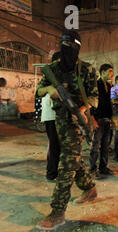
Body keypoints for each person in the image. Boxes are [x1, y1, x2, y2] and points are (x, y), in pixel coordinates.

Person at [35, 30, 98, 230]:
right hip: (59, 120)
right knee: (72, 158)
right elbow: (39, 90)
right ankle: (89, 188)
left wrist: (80, 109)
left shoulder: (87, 70)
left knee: (66, 165)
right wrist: (50, 91)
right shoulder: (53, 69)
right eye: (64, 45)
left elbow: (94, 97)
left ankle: (57, 211)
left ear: (78, 49)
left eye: (71, 47)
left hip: (78, 122)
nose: (67, 51)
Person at [90, 64, 114, 177]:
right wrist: (93, 119)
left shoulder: (108, 85)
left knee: (105, 145)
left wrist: (112, 118)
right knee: (95, 146)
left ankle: (103, 167)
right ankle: (92, 169)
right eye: (109, 71)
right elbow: (91, 103)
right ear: (102, 72)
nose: (111, 74)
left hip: (107, 119)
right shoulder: (96, 85)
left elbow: (109, 104)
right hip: (98, 119)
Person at [40, 52, 61, 182]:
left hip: (56, 116)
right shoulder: (49, 76)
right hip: (51, 116)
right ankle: (51, 173)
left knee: (57, 145)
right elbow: (41, 92)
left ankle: (55, 171)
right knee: (54, 145)